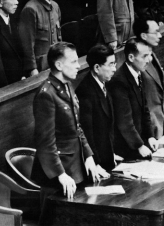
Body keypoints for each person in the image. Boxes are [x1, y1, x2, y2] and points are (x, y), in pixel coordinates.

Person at [31, 42, 107, 205]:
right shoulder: (46, 95)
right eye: (72, 62)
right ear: (58, 65)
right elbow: (45, 142)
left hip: (75, 168)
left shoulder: (67, 86)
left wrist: (88, 156)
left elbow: (77, 127)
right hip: (57, 177)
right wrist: (60, 174)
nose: (78, 66)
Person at [107, 38, 157, 160]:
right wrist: (139, 145)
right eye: (145, 56)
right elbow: (124, 121)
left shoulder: (139, 73)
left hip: (140, 142)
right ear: (131, 58)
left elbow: (145, 110)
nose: (149, 60)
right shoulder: (119, 81)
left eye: (150, 55)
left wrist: (150, 136)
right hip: (126, 148)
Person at [76, 44, 117, 171]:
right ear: (97, 67)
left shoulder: (103, 83)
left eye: (115, 64)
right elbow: (88, 133)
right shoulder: (85, 91)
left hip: (108, 157)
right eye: (111, 64)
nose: (114, 69)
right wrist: (96, 163)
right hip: (97, 165)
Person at [19, 0, 61, 76]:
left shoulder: (55, 7)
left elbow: (59, 37)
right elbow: (27, 45)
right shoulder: (30, 9)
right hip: (40, 68)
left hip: (56, 64)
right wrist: (32, 69)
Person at [133, 18, 164, 139]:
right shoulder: (138, 63)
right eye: (156, 32)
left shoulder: (152, 55)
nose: (160, 35)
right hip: (149, 129)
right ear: (144, 35)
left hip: (159, 123)